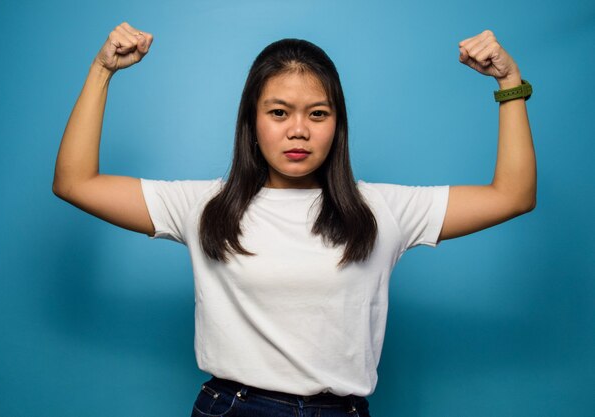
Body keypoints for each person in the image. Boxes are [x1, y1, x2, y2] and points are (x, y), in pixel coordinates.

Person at [53, 22, 536, 417]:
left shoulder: (382, 209)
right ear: (252, 123)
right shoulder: (204, 206)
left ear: (337, 125)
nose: (298, 130)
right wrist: (102, 71)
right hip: (234, 408)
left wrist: (509, 84)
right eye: (279, 112)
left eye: (318, 114)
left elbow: (512, 196)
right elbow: (76, 182)